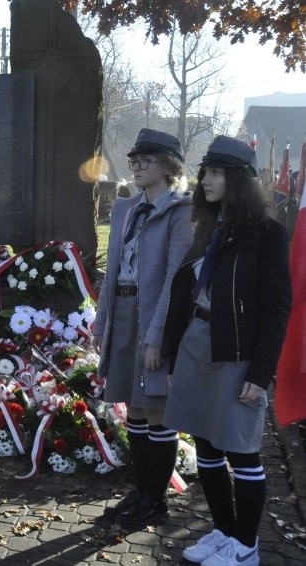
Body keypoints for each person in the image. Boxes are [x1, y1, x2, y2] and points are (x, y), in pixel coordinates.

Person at [161, 136, 291, 566]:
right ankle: (223, 532)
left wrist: (261, 370)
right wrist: (169, 353)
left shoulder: (267, 234)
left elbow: (277, 307)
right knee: (207, 446)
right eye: (205, 172)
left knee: (241, 449)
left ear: (238, 180)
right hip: (197, 344)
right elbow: (184, 293)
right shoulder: (207, 227)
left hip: (237, 354)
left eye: (216, 173)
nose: (206, 180)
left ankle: (247, 546)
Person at [92, 128, 193, 527]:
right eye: (133, 160)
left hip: (153, 318)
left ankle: (156, 500)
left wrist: (158, 337)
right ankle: (141, 492)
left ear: (169, 167)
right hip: (123, 312)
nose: (135, 165)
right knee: (133, 407)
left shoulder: (181, 212)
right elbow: (112, 271)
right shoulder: (128, 208)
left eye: (144, 160)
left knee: (156, 409)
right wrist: (102, 324)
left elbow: (175, 280)